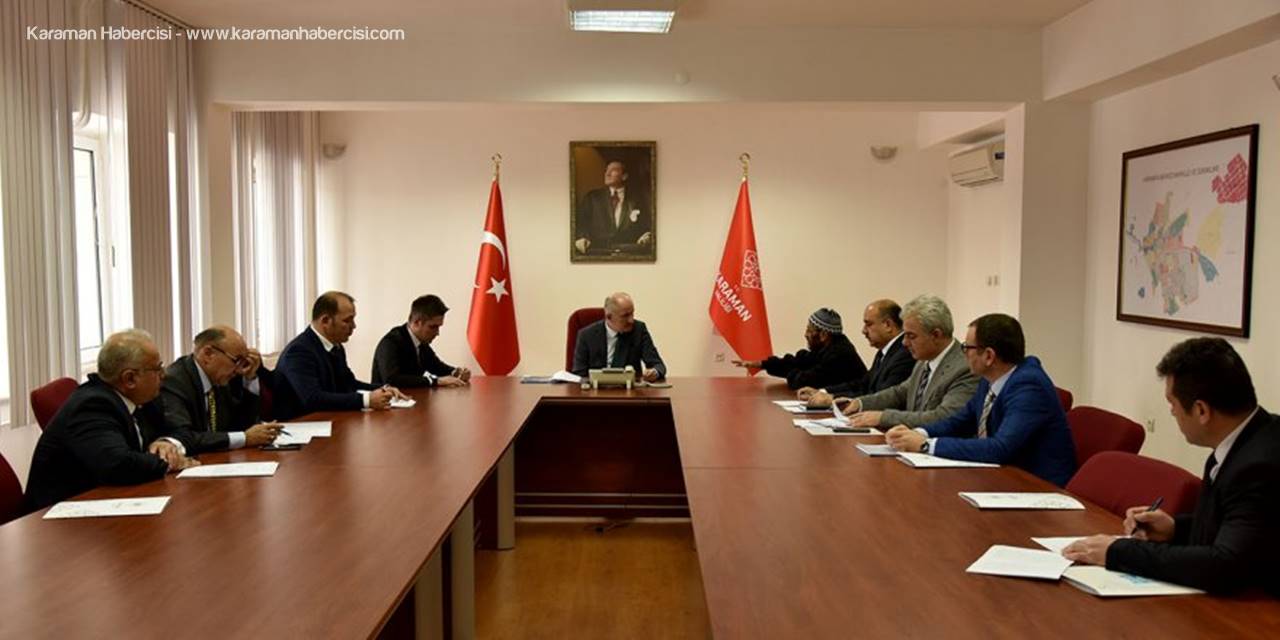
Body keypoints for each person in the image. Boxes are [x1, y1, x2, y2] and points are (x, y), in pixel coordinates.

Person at [1063, 338, 1280, 595]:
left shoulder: (1258, 466)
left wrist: (1118, 551)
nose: (1172, 412)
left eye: (1172, 403)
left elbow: (1225, 564)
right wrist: (1175, 529)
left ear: (1201, 410)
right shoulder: (1252, 436)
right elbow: (1243, 528)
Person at [885, 313, 1076, 487]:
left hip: (1038, 487)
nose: (963, 353)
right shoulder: (990, 378)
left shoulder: (1028, 386)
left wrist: (926, 445)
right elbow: (961, 421)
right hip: (1001, 477)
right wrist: (917, 433)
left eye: (967, 348)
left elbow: (1000, 448)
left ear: (989, 356)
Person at [24, 330, 200, 511]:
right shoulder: (92, 406)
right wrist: (170, 461)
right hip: (62, 513)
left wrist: (166, 443)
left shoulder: (142, 398)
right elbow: (118, 464)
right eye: (157, 369)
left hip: (112, 498)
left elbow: (182, 430)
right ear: (130, 378)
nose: (164, 375)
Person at [834, 295, 978, 430]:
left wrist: (883, 417)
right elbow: (899, 393)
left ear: (936, 335)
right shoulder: (923, 362)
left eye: (911, 336)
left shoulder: (965, 368)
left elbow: (943, 417)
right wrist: (860, 403)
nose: (904, 342)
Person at [274, 291, 407, 420]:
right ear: (325, 320)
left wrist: (383, 388)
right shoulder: (299, 351)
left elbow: (349, 383)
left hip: (329, 419)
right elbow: (312, 398)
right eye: (347, 320)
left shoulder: (336, 346)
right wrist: (366, 400)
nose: (354, 326)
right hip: (301, 424)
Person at [161, 325, 282, 453]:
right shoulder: (175, 381)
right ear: (208, 354)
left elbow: (239, 426)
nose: (238, 369)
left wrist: (249, 379)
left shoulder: (219, 378)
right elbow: (184, 437)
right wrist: (245, 438)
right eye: (236, 360)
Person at [797, 299, 914, 406]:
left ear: (888, 325)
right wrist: (823, 392)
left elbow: (881, 398)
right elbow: (863, 384)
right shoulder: (884, 352)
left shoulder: (904, 354)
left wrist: (832, 398)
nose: (863, 331)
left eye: (868, 324)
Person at [732, 308, 866, 391]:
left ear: (823, 335)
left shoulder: (839, 354)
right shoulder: (827, 347)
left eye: (809, 330)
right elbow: (799, 361)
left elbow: (803, 381)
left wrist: (792, 372)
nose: (805, 334)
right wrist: (763, 364)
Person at [371, 294, 471, 389]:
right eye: (433, 327)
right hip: (389, 400)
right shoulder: (390, 342)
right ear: (416, 323)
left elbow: (436, 366)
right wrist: (435, 381)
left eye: (439, 327)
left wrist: (455, 372)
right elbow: (392, 380)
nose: (437, 333)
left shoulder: (420, 342)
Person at [571, 292, 666, 381]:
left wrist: (654, 372)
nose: (631, 320)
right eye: (625, 316)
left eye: (632, 313)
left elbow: (658, 365)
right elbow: (579, 373)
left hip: (630, 390)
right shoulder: (586, 335)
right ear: (609, 316)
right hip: (596, 389)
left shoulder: (639, 330)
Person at [574, 160, 653, 255]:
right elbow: (581, 223)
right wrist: (581, 238)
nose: (607, 174)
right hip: (598, 252)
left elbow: (646, 224)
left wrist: (646, 234)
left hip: (628, 252)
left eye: (613, 170)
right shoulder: (592, 197)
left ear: (624, 176)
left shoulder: (637, 198)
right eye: (606, 170)